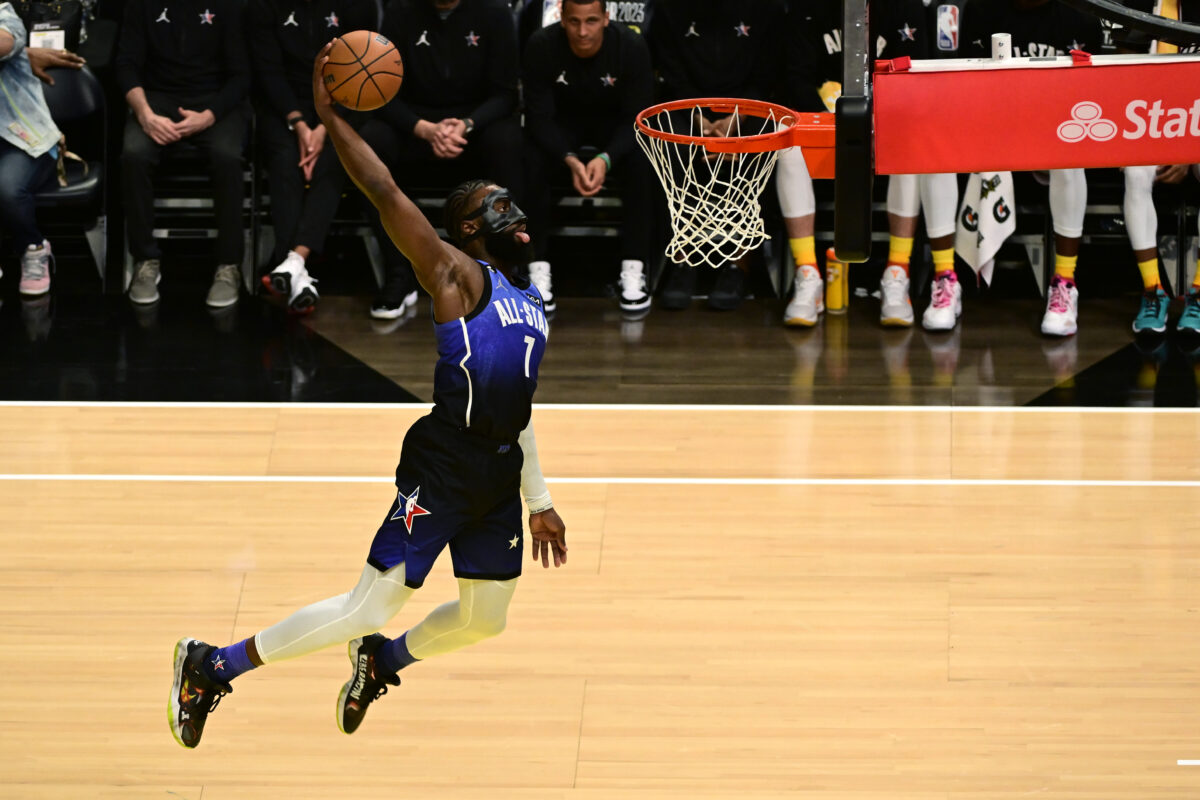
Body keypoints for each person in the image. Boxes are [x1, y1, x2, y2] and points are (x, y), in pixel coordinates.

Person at [168, 43, 568, 749]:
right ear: (469, 229)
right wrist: (330, 115)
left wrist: (539, 501)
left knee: (485, 619)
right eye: (493, 205)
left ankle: (382, 662)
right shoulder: (456, 274)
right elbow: (385, 190)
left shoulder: (529, 301)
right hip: (444, 465)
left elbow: (521, 409)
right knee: (369, 604)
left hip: (498, 472)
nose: (511, 207)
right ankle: (212, 666)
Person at [777, 0, 962, 331]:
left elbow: (913, 82)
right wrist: (840, 123)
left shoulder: (904, 7)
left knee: (912, 137)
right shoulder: (808, 10)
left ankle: (897, 272)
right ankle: (807, 274)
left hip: (887, 126)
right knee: (786, 138)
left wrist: (875, 122)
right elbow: (795, 81)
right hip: (827, 126)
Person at [359, 0, 523, 320]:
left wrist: (466, 125)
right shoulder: (399, 13)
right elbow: (382, 93)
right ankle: (399, 273)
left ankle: (500, 272)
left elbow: (506, 95)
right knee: (373, 141)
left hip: (473, 127)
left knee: (510, 141)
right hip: (417, 127)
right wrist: (423, 129)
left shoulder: (495, 12)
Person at [963, 0, 1112, 337]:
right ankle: (947, 278)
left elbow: (1092, 96)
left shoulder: (1082, 16)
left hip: (1057, 131)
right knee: (932, 149)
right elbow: (965, 82)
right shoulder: (981, 9)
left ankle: (1065, 281)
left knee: (1069, 157)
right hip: (994, 129)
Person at [648, 0, 786, 311]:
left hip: (747, 108)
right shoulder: (668, 9)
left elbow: (768, 72)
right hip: (687, 106)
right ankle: (681, 257)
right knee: (665, 141)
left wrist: (736, 119)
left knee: (766, 138)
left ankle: (739, 264)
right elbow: (668, 70)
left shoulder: (768, 9)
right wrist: (700, 121)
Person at [521, 0, 655, 314]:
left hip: (616, 127)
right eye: (574, 21)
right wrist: (569, 158)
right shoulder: (541, 45)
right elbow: (538, 117)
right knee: (529, 155)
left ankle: (634, 269)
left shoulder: (631, 46)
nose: (583, 32)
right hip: (561, 125)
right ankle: (537, 268)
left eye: (592, 21)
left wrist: (605, 159)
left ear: (606, 19)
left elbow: (638, 116)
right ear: (562, 19)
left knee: (643, 158)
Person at [115, 0, 250, 308]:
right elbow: (125, 64)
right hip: (156, 99)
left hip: (214, 100)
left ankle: (229, 265)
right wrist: (145, 114)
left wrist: (210, 115)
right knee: (134, 154)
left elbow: (241, 75)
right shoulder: (141, 6)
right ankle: (145, 260)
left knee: (227, 156)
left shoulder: (228, 7)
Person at [249, 0, 378, 314]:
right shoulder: (263, 7)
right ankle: (298, 274)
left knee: (336, 158)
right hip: (284, 106)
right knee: (284, 158)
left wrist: (325, 125)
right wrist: (300, 125)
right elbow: (268, 71)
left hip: (342, 101)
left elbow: (364, 67)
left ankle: (291, 262)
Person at [0, 3, 65, 297]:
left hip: (23, 137)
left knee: (8, 189)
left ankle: (34, 247)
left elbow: (6, 40)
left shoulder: (4, 12)